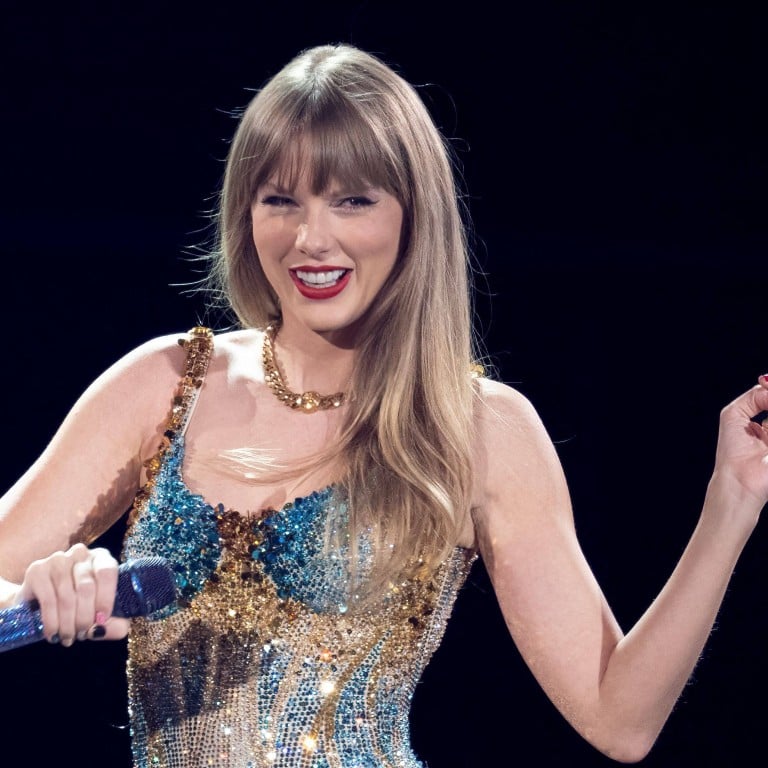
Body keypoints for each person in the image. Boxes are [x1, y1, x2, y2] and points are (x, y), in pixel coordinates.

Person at [0, 43, 766, 768]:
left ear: (411, 216)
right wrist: (43, 598)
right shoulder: (166, 382)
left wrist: (730, 501)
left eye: (352, 201)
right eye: (281, 200)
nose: (311, 238)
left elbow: (619, 716)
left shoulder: (478, 430)